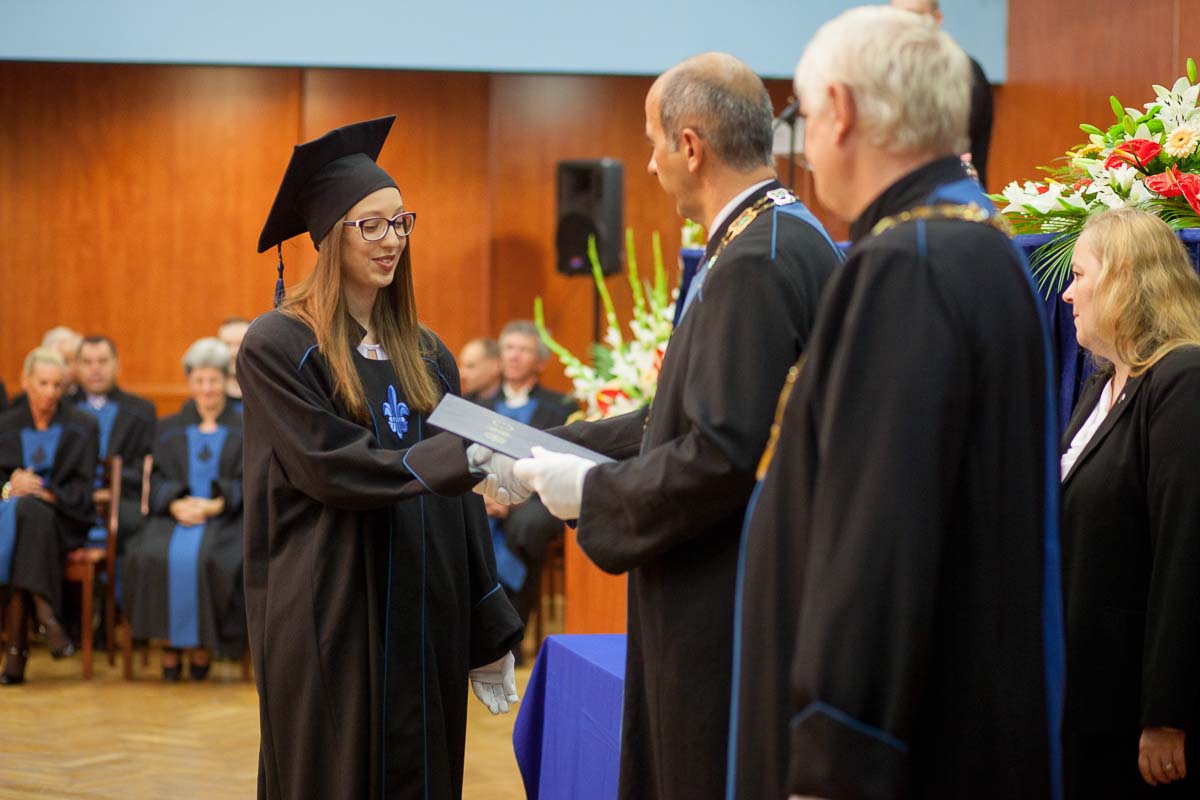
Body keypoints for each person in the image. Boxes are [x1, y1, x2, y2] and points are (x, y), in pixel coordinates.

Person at [724, 8, 1064, 799]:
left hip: (892, 760)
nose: (805, 144)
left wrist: (830, 764)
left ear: (840, 111)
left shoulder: (908, 264)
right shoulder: (975, 242)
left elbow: (875, 538)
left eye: (804, 118)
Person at [502, 53, 842, 799]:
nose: (650, 164)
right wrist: (541, 447)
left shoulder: (755, 261)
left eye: (652, 143)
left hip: (722, 598)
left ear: (690, 146)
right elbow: (678, 416)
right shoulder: (776, 234)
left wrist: (592, 492)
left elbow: (721, 452)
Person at [238, 116, 522, 800]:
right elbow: (327, 464)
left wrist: (487, 622)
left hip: (426, 605)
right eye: (370, 225)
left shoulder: (428, 353)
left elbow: (463, 494)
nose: (391, 239)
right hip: (334, 604)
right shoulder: (280, 345)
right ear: (330, 236)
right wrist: (448, 461)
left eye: (400, 222)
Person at [1058, 208, 1200, 798]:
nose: (1067, 295)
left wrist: (1167, 712)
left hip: (1135, 708)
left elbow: (1185, 550)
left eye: (1079, 275)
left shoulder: (1182, 378)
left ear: (1122, 280)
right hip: (1088, 690)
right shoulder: (1104, 384)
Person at [122, 338, 244, 681]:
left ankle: (204, 645)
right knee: (149, 555)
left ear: (225, 380)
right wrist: (175, 504)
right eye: (199, 380)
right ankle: (169, 644)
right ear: (189, 382)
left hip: (225, 518)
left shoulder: (247, 425)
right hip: (174, 516)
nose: (206, 388)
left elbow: (256, 478)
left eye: (213, 380)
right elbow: (156, 479)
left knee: (214, 560)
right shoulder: (168, 427)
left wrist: (218, 504)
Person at [0, 348, 98, 684]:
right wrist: (9, 488)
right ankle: (47, 617)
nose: (50, 392)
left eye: (57, 385)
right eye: (43, 383)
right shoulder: (6, 424)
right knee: (24, 515)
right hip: (10, 521)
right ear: (26, 381)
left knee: (29, 513)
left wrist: (45, 492)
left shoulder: (83, 425)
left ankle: (18, 651)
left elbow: (84, 490)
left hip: (64, 520)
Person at [478, 321, 575, 644]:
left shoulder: (562, 408)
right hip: (485, 496)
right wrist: (487, 496)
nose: (514, 356)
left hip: (538, 499)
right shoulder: (478, 405)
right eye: (508, 348)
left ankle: (512, 635)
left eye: (523, 350)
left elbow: (563, 462)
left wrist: (515, 499)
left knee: (526, 526)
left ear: (540, 361)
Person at [892, 0, 993, 187]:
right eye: (895, 17)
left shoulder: (963, 72)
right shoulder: (886, 72)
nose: (903, 24)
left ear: (936, 19)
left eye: (912, 16)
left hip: (948, 192)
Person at [74, 334, 156, 551]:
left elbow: (145, 467)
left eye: (102, 361)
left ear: (116, 364)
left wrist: (111, 489)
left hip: (123, 499)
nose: (95, 369)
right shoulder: (64, 410)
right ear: (77, 367)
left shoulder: (141, 411)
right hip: (73, 499)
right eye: (87, 362)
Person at [217, 317, 251, 411]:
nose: (233, 353)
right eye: (227, 344)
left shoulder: (265, 393)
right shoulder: (207, 395)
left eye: (240, 344)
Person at [457, 337, 501, 403]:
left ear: (495, 366)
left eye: (470, 366)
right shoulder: (461, 402)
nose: (461, 374)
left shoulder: (512, 402)